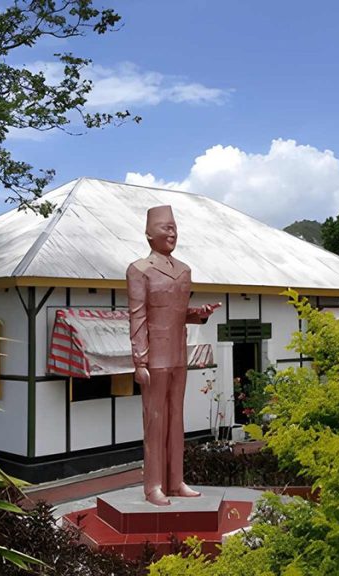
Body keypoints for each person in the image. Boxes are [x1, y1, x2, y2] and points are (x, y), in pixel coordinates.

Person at [127, 205, 220, 506]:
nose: (172, 232)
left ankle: (176, 481)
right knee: (155, 421)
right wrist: (140, 360)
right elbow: (138, 316)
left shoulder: (184, 270)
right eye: (165, 227)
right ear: (148, 233)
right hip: (154, 357)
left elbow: (177, 313)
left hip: (179, 355)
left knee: (176, 419)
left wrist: (199, 313)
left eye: (174, 227)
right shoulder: (139, 270)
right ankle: (154, 486)